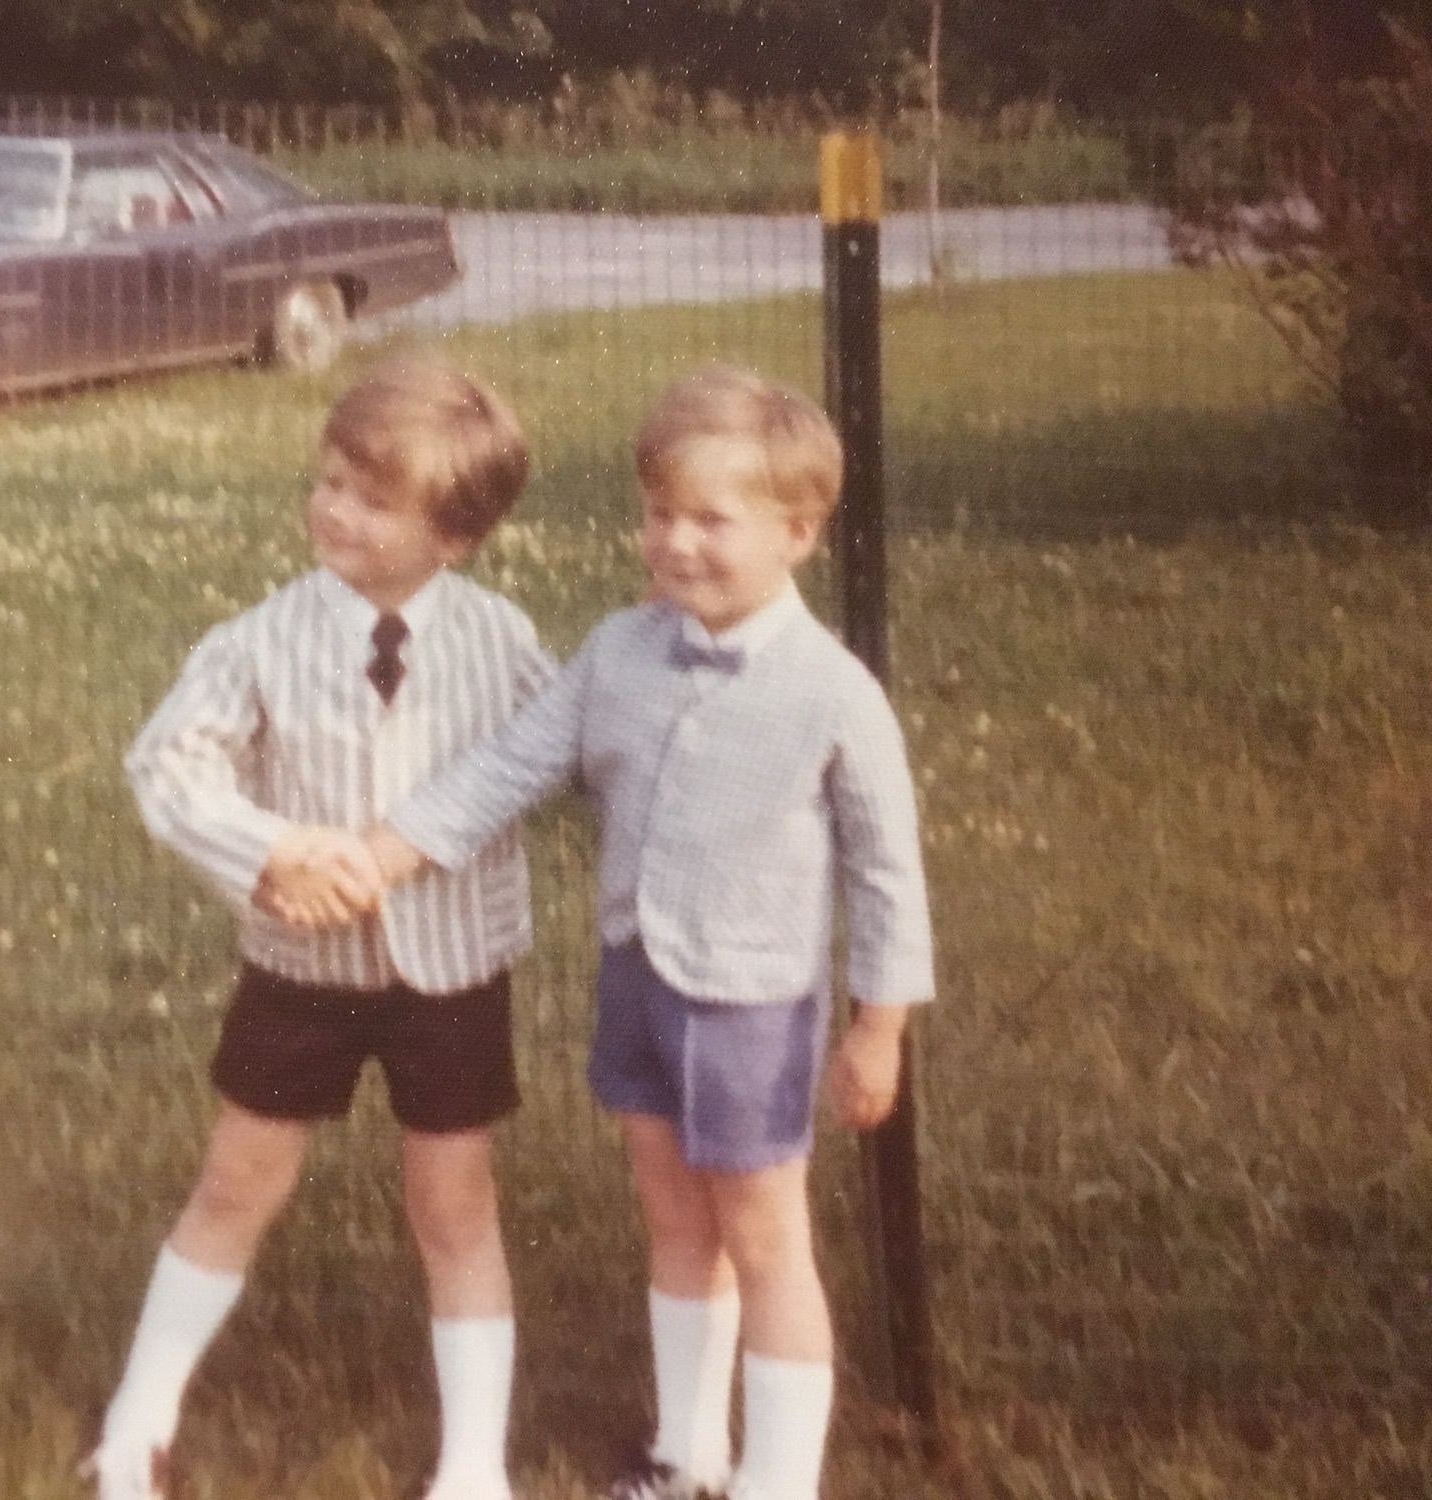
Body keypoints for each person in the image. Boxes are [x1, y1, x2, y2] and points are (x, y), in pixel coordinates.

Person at [361, 366, 936, 1500]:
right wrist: (382, 854)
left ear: (797, 531)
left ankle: (778, 1481)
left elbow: (886, 875)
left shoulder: (832, 692)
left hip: (752, 1009)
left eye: (710, 521)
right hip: (637, 983)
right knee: (674, 1217)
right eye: (659, 514)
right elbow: (510, 767)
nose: (674, 543)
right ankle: (687, 1454)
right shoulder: (618, 650)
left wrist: (879, 1029)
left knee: (764, 1236)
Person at [92, 351, 553, 1500]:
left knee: (454, 1203)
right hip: (303, 968)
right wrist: (270, 853)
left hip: (450, 970)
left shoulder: (500, 642)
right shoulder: (260, 638)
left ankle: (473, 1466)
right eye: (328, 481)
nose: (332, 509)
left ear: (452, 536)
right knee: (237, 1181)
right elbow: (167, 766)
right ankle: (135, 1426)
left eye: (369, 497)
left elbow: (557, 755)